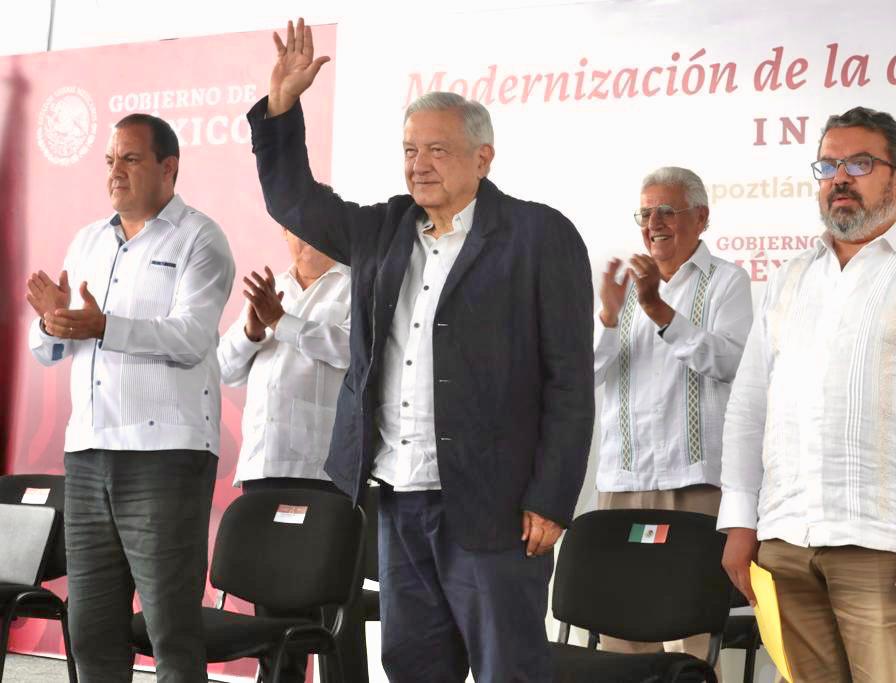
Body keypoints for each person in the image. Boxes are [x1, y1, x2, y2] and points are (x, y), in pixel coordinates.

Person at [246, 18, 594, 683]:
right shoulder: (382, 230)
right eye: (409, 149)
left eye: (436, 149)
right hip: (398, 499)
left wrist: (552, 496)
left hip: (496, 507)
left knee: (507, 669)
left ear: (483, 157)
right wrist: (283, 105)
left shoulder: (537, 236)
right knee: (412, 668)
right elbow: (291, 198)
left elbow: (570, 382)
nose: (418, 163)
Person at [717, 106, 896, 682]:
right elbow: (750, 408)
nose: (839, 177)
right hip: (785, 539)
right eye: (827, 165)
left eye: (859, 163)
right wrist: (740, 521)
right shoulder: (791, 277)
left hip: (887, 546)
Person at [26, 113, 234, 682]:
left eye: (131, 159)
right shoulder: (88, 239)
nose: (115, 171)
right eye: (110, 160)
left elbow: (192, 339)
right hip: (89, 454)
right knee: (91, 633)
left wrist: (101, 326)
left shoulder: (200, 237)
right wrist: (51, 323)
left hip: (166, 457)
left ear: (169, 168)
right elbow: (45, 348)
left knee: (172, 633)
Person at [594, 166, 751, 664]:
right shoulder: (621, 284)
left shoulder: (727, 281)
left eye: (667, 210)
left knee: (688, 639)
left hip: (695, 481)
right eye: (645, 213)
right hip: (623, 479)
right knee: (620, 633)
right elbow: (581, 374)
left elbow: (731, 363)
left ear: (701, 217)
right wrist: (609, 317)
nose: (653, 223)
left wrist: (658, 311)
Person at [217, 229, 351, 683]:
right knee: (268, 600)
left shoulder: (357, 283)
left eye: (310, 222)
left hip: (319, 468)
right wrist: (255, 328)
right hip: (264, 463)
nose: (299, 235)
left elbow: (354, 351)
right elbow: (226, 366)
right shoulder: (275, 286)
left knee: (310, 604)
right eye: (290, 226)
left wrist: (283, 322)